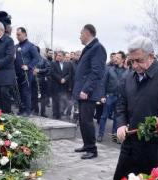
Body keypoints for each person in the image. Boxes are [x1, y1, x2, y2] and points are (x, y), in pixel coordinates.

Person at [112, 36, 158, 180]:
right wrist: (120, 124)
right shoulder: (128, 77)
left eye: (139, 60)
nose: (135, 66)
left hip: (155, 148)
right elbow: (121, 104)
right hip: (130, 145)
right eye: (131, 61)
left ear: (151, 56)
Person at [72, 24, 107, 160]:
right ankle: (87, 145)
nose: (79, 36)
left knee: (87, 121)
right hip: (83, 91)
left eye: (81, 33)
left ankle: (92, 149)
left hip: (88, 92)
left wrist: (86, 89)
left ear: (87, 34)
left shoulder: (98, 48)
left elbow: (96, 72)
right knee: (82, 119)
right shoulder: (89, 48)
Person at [97, 50, 127, 142]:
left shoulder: (127, 72)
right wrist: (102, 96)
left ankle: (115, 137)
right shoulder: (109, 69)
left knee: (117, 118)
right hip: (109, 97)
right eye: (115, 57)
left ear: (123, 60)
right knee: (104, 116)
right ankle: (100, 135)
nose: (115, 59)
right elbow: (103, 83)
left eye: (118, 58)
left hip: (120, 98)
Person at [14, 27, 41, 116]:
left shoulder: (30, 46)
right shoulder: (16, 46)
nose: (17, 36)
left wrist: (28, 66)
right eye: (16, 35)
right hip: (17, 73)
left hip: (27, 73)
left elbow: (37, 58)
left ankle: (27, 111)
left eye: (19, 34)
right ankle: (21, 109)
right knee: (19, 91)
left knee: (26, 91)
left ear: (25, 34)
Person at [51, 51, 73, 119]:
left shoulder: (68, 64)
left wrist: (65, 79)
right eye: (57, 55)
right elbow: (52, 73)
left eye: (60, 55)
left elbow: (70, 74)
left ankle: (60, 113)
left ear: (63, 57)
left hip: (64, 85)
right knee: (55, 100)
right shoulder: (53, 63)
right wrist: (60, 79)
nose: (58, 56)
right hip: (56, 85)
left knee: (63, 99)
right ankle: (55, 114)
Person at [33, 51, 51, 117]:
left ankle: (43, 112)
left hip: (42, 81)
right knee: (34, 96)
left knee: (43, 97)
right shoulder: (32, 60)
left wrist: (39, 70)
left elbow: (48, 69)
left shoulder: (44, 60)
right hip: (33, 80)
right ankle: (35, 111)